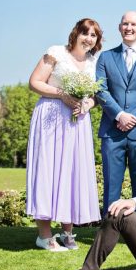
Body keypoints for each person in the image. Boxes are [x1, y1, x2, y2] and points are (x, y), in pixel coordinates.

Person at [26, 18, 103, 251]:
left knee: (71, 173)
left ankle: (68, 232)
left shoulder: (94, 62)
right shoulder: (56, 52)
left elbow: (98, 94)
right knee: (49, 171)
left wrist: (89, 102)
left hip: (77, 121)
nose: (88, 39)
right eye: (85, 33)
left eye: (94, 35)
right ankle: (44, 236)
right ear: (76, 33)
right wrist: (61, 94)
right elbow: (34, 82)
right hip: (51, 116)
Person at [95, 11, 136, 215]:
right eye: (125, 24)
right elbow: (100, 89)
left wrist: (132, 117)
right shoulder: (106, 57)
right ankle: (110, 230)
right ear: (119, 27)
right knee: (111, 184)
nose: (129, 28)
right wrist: (119, 115)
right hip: (112, 131)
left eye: (133, 24)